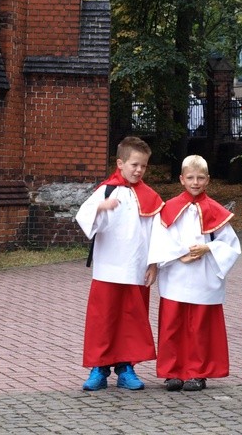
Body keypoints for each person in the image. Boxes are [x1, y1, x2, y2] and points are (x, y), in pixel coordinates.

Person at [75, 136, 165, 391]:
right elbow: (85, 218)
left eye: (143, 166)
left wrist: (154, 264)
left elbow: (157, 233)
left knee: (131, 320)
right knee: (103, 319)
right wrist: (100, 208)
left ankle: (126, 366)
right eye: (134, 164)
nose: (138, 170)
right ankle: (99, 368)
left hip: (136, 268)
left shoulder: (150, 196)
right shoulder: (106, 191)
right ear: (120, 163)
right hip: (108, 268)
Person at [148, 155, 241, 392]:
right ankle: (172, 372)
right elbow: (159, 238)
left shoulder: (215, 210)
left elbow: (230, 244)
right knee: (172, 325)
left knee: (200, 327)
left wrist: (208, 247)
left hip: (203, 276)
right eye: (190, 177)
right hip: (177, 274)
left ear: (208, 180)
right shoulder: (168, 208)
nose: (195, 182)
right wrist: (179, 254)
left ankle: (197, 372)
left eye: (200, 178)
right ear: (181, 179)